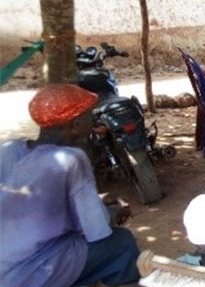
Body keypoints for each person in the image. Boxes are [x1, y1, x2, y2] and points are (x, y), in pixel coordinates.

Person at [0, 84, 140, 287]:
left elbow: (30, 203)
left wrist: (99, 199)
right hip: (29, 273)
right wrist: (113, 212)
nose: (93, 123)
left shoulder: (9, 149)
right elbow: (96, 228)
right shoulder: (71, 158)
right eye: (89, 117)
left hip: (4, 263)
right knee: (122, 243)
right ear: (75, 125)